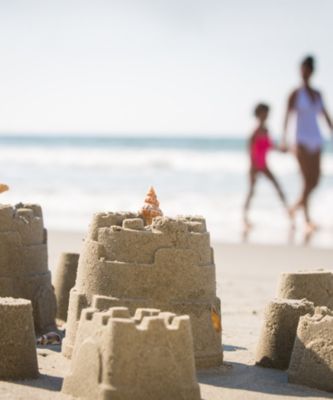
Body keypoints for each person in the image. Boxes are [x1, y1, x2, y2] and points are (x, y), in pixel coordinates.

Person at [281, 56, 333, 232]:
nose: (304, 72)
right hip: (301, 140)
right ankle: (307, 220)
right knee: (306, 181)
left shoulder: (317, 94)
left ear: (311, 71)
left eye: (307, 69)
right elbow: (287, 117)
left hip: (316, 140)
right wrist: (284, 139)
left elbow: (325, 115)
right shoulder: (295, 94)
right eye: (302, 69)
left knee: (316, 180)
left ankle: (294, 208)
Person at [243, 103, 288, 229]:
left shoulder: (266, 130)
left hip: (264, 166)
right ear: (258, 114)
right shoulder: (255, 132)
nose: (266, 115)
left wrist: (282, 150)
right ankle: (245, 218)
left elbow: (270, 146)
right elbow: (250, 151)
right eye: (264, 113)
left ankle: (288, 213)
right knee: (251, 191)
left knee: (278, 186)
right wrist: (254, 166)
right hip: (255, 166)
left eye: (267, 113)